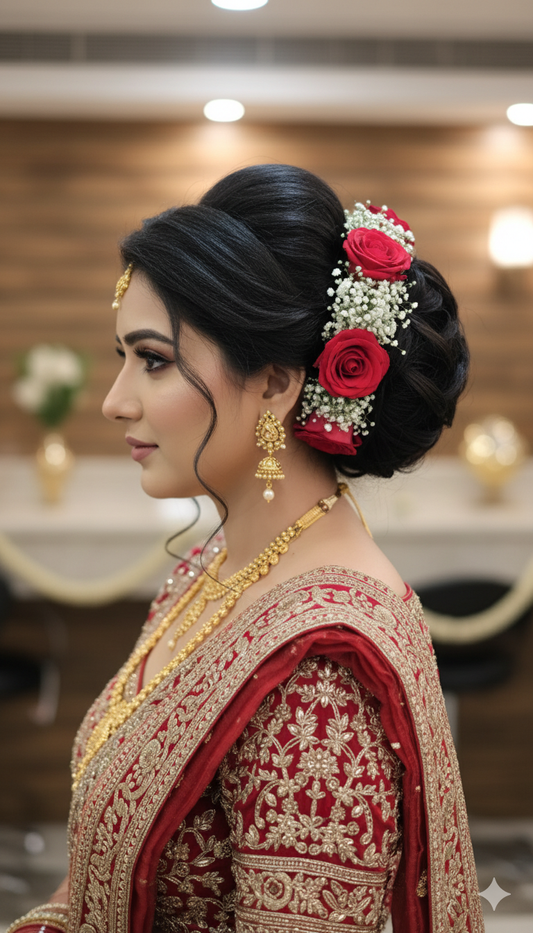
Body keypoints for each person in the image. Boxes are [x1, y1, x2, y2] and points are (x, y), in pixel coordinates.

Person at [8, 164, 484, 933]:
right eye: (122, 356)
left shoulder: (318, 679)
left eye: (153, 359)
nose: (114, 399)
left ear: (274, 384)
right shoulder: (217, 566)